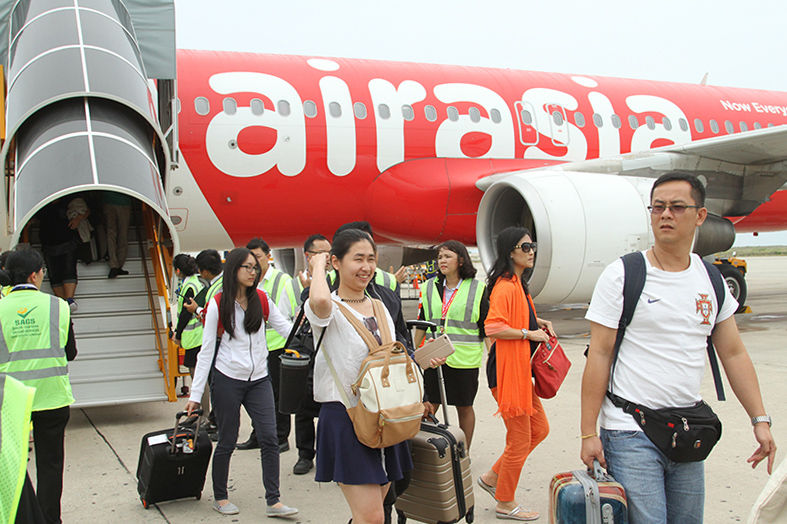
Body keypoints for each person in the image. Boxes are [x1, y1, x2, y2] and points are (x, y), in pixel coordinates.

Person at [580, 172, 776, 524]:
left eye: (676, 207)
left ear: (700, 215)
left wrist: (759, 419)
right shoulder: (623, 274)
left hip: (687, 431)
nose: (665, 214)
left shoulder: (711, 280)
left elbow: (734, 354)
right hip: (630, 429)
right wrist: (588, 432)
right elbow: (600, 354)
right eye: (657, 207)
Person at [305, 229, 414, 524]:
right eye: (357, 259)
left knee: (373, 511)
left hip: (386, 415)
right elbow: (320, 302)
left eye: (371, 259)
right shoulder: (329, 307)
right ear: (337, 262)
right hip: (347, 415)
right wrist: (317, 265)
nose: (366, 267)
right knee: (372, 518)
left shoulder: (380, 305)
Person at [185, 248, 297, 518]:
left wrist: (314, 334)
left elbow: (287, 330)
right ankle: (220, 496)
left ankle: (274, 500)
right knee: (227, 440)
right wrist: (195, 394)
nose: (253, 271)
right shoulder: (218, 303)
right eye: (247, 267)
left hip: (259, 380)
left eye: (255, 267)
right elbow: (207, 351)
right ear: (233, 269)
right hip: (227, 379)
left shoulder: (261, 299)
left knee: (270, 439)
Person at [476, 226, 552, 522]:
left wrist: (538, 322)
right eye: (525, 247)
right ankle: (505, 502)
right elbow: (493, 327)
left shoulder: (517, 284)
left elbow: (519, 317)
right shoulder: (506, 286)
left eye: (532, 246)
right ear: (510, 252)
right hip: (507, 375)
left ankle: (493, 477)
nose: (531, 251)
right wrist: (528, 334)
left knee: (540, 429)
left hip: (519, 372)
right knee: (520, 439)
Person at [0, 249, 78, 524]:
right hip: (52, 396)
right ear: (34, 275)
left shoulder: (0, 308)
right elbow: (70, 352)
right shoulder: (59, 306)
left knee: (13, 464)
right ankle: (49, 520)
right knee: (50, 465)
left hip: (11, 400)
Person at [414, 240, 489, 450]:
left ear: (461, 260)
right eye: (439, 257)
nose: (442, 261)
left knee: (464, 407)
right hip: (434, 356)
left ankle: (463, 452)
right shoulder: (428, 287)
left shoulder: (477, 288)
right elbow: (422, 321)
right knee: (429, 406)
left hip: (464, 359)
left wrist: (493, 356)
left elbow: (485, 326)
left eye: (447, 256)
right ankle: (426, 451)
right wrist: (412, 352)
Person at [236, 238, 299, 456]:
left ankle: (281, 438)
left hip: (278, 347)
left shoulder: (282, 280)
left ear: (268, 256)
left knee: (277, 396)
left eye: (258, 257)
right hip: (255, 348)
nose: (254, 263)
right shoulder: (247, 282)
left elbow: (289, 317)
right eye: (250, 260)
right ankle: (258, 434)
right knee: (254, 395)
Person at [185, 249, 224, 438]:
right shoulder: (219, 284)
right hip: (220, 342)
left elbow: (212, 317)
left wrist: (196, 309)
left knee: (217, 384)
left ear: (205, 272)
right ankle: (216, 421)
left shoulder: (215, 289)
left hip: (218, 342)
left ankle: (216, 423)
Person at [35, 198, 87, 312]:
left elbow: (86, 210)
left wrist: (78, 218)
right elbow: (35, 218)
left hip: (67, 238)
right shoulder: (43, 202)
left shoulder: (67, 198)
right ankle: (61, 302)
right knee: (54, 272)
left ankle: (69, 299)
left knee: (69, 269)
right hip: (48, 241)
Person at [171, 254, 208, 411]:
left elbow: (185, 314)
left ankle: (204, 413)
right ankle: (201, 412)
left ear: (178, 270)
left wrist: (177, 335)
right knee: (198, 378)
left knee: (198, 379)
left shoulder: (189, 286)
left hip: (194, 338)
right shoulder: (195, 282)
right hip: (198, 337)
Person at [103, 191, 132, 278]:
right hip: (123, 202)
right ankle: (118, 265)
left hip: (109, 201)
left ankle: (114, 265)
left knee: (111, 233)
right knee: (122, 235)